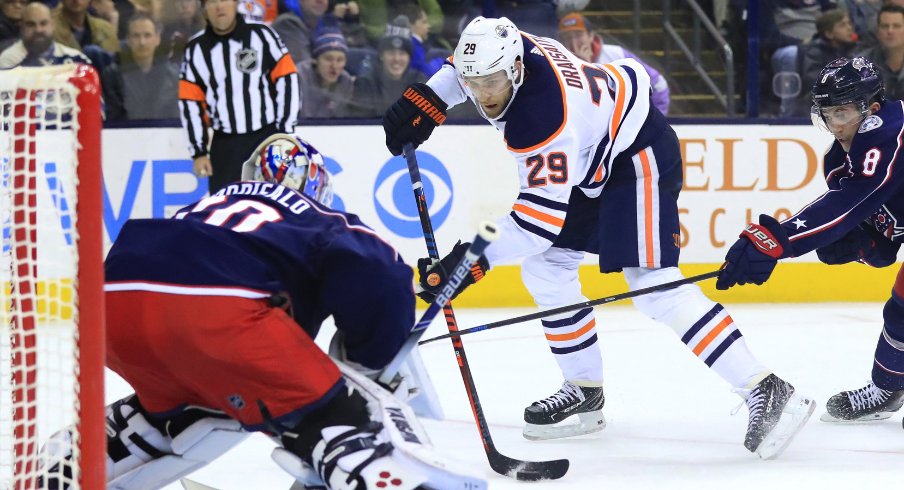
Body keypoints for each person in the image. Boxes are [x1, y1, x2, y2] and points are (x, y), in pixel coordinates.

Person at [382, 16, 815, 459]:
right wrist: (426, 101)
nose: (483, 95)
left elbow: (536, 223)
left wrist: (468, 262)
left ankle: (766, 387)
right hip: (591, 157)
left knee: (652, 286)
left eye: (492, 83)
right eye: (476, 85)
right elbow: (459, 70)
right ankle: (584, 389)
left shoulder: (541, 118)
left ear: (515, 70)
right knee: (547, 268)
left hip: (636, 154)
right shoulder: (504, 51)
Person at [38, 135, 486, 490]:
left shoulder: (205, 206)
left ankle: (120, 439)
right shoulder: (312, 214)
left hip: (110, 308)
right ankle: (365, 458)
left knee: (199, 405)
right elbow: (381, 272)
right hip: (219, 318)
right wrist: (370, 360)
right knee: (343, 411)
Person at [717, 56, 904, 424]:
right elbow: (882, 243)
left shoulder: (888, 133)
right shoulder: (839, 161)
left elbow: (848, 202)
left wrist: (775, 240)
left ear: (873, 110)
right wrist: (862, 247)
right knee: (900, 310)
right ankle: (888, 388)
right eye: (829, 113)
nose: (835, 124)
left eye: (845, 112)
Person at [179, 0, 300, 194]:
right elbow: (190, 102)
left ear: (236, 3)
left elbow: (287, 79)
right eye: (212, 2)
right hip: (225, 146)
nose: (219, 6)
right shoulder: (196, 49)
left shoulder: (262, 35)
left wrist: (284, 132)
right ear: (204, 10)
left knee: (274, 207)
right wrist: (199, 152)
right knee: (226, 213)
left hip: (267, 139)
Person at [556, 12, 670, 115]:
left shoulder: (617, 55)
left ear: (591, 35)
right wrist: (582, 66)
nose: (573, 43)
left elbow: (658, 84)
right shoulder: (558, 66)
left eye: (578, 35)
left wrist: (655, 119)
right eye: (566, 38)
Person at [101, 12, 179, 120]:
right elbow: (114, 118)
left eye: (147, 35)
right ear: (128, 40)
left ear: (157, 39)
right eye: (136, 36)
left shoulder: (173, 77)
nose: (142, 42)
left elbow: (175, 117)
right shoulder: (112, 75)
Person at [351, 15, 425, 117]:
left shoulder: (419, 83)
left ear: (409, 58)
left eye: (402, 53)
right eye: (391, 53)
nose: (396, 59)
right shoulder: (366, 83)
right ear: (381, 55)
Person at [0, 1, 89, 68]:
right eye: (31, 24)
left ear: (53, 25)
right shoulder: (8, 62)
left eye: (43, 23)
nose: (38, 30)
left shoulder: (76, 58)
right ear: (22, 27)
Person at [298, 20, 355, 118]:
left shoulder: (346, 82)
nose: (334, 65)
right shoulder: (298, 77)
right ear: (315, 60)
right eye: (328, 59)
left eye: (340, 60)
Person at [856, 4, 904, 101]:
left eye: (896, 26)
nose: (890, 31)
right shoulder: (861, 65)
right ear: (877, 31)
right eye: (885, 26)